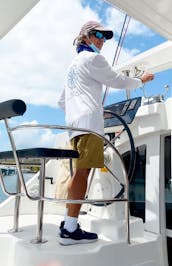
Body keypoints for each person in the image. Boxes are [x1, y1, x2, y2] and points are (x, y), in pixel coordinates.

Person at [57, 20, 154, 246]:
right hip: (90, 125)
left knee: (78, 173)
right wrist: (141, 80)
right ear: (85, 37)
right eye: (98, 35)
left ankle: (67, 223)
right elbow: (116, 80)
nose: (102, 40)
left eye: (105, 37)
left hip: (75, 126)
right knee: (83, 174)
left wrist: (78, 111)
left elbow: (61, 101)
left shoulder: (73, 65)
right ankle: (71, 228)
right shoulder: (94, 58)